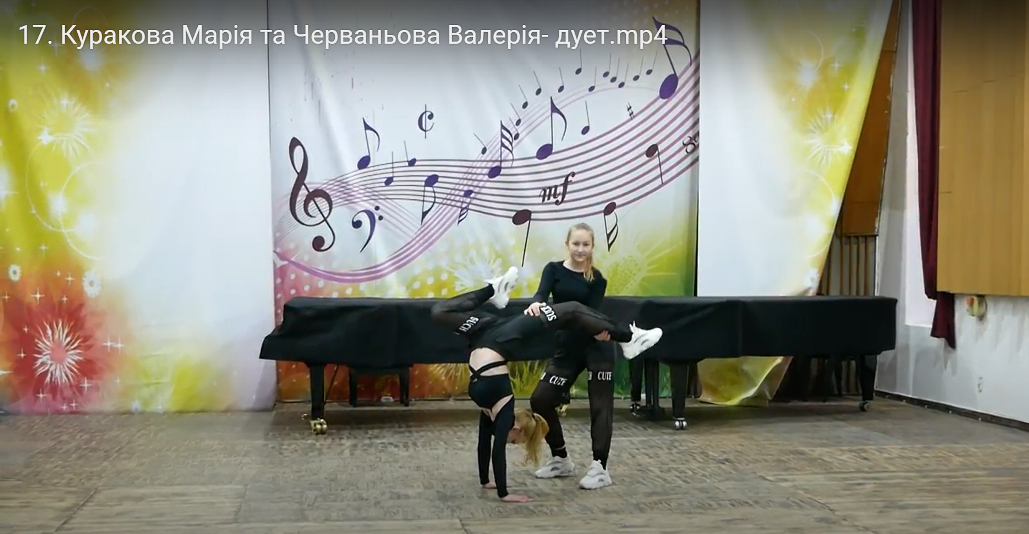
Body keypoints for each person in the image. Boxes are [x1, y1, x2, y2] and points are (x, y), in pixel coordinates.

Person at [429, 266, 663, 503]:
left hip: (483, 334)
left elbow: (485, 444)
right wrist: (504, 493)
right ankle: (629, 338)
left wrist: (485, 480)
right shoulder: (502, 409)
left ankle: (494, 289)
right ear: (517, 429)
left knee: (439, 312)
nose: (510, 442)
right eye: (515, 441)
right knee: (571, 309)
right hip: (501, 337)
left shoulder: (491, 411)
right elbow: (495, 448)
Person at [525, 222, 619, 490]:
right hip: (567, 348)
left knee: (600, 406)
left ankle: (600, 468)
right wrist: (537, 303)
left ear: (592, 247)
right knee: (541, 399)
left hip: (597, 347)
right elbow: (541, 294)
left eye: (585, 244)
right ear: (567, 245)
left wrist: (600, 330)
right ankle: (561, 459)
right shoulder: (553, 269)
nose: (580, 249)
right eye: (576, 244)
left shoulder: (597, 279)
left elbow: (591, 314)